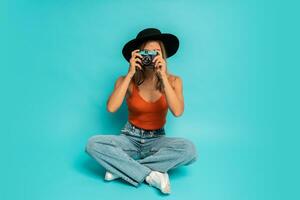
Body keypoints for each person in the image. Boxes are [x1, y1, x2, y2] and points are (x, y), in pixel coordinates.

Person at [85, 28, 198, 194]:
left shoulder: (174, 81)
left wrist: (162, 77)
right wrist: (130, 73)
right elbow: (111, 107)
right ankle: (153, 175)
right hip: (129, 138)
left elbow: (178, 111)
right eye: (147, 52)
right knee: (93, 144)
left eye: (156, 52)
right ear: (137, 54)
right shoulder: (126, 80)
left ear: (163, 56)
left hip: (157, 140)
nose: (150, 57)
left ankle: (122, 170)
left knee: (190, 150)